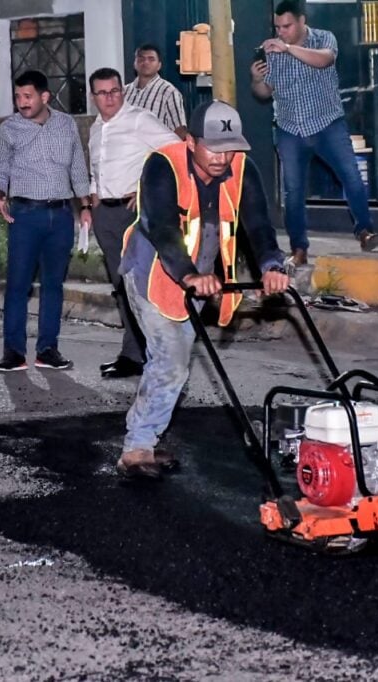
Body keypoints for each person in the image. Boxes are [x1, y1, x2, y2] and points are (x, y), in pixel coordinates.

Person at [116, 100, 290, 479]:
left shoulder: (242, 168)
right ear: (191, 141)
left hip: (200, 276)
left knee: (172, 363)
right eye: (213, 146)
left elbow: (258, 226)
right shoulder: (162, 165)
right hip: (154, 274)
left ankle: (145, 434)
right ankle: (137, 449)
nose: (222, 157)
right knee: (172, 361)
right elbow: (162, 227)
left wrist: (271, 265)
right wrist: (190, 274)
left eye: (230, 147)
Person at [250, 0, 378, 267]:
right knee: (293, 191)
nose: (281, 32)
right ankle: (299, 249)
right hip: (289, 128)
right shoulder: (270, 50)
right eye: (278, 27)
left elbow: (324, 60)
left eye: (286, 26)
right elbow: (264, 93)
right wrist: (257, 79)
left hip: (326, 124)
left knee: (351, 177)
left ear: (301, 21)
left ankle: (364, 230)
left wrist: (288, 49)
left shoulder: (323, 38)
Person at [0, 70, 92, 372]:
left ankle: (48, 349)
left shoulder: (66, 124)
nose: (22, 102)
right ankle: (13, 352)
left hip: (60, 215)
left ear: (44, 96)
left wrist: (85, 206)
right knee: (18, 284)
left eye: (28, 96)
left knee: (53, 285)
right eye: (18, 97)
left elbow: (77, 168)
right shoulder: (9, 129)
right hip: (25, 215)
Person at [88, 66, 179, 379]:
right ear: (94, 97)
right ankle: (133, 354)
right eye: (102, 93)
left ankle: (152, 355)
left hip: (134, 214)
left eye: (114, 91)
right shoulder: (96, 128)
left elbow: (175, 153)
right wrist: (93, 196)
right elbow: (97, 169)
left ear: (122, 92)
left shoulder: (139, 119)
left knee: (141, 287)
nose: (109, 98)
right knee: (121, 287)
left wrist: (146, 192)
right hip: (106, 215)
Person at [123, 43, 188, 138]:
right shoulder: (124, 92)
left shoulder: (169, 92)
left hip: (156, 150)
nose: (145, 62)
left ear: (159, 65)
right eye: (141, 59)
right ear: (134, 64)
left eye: (151, 59)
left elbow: (179, 130)